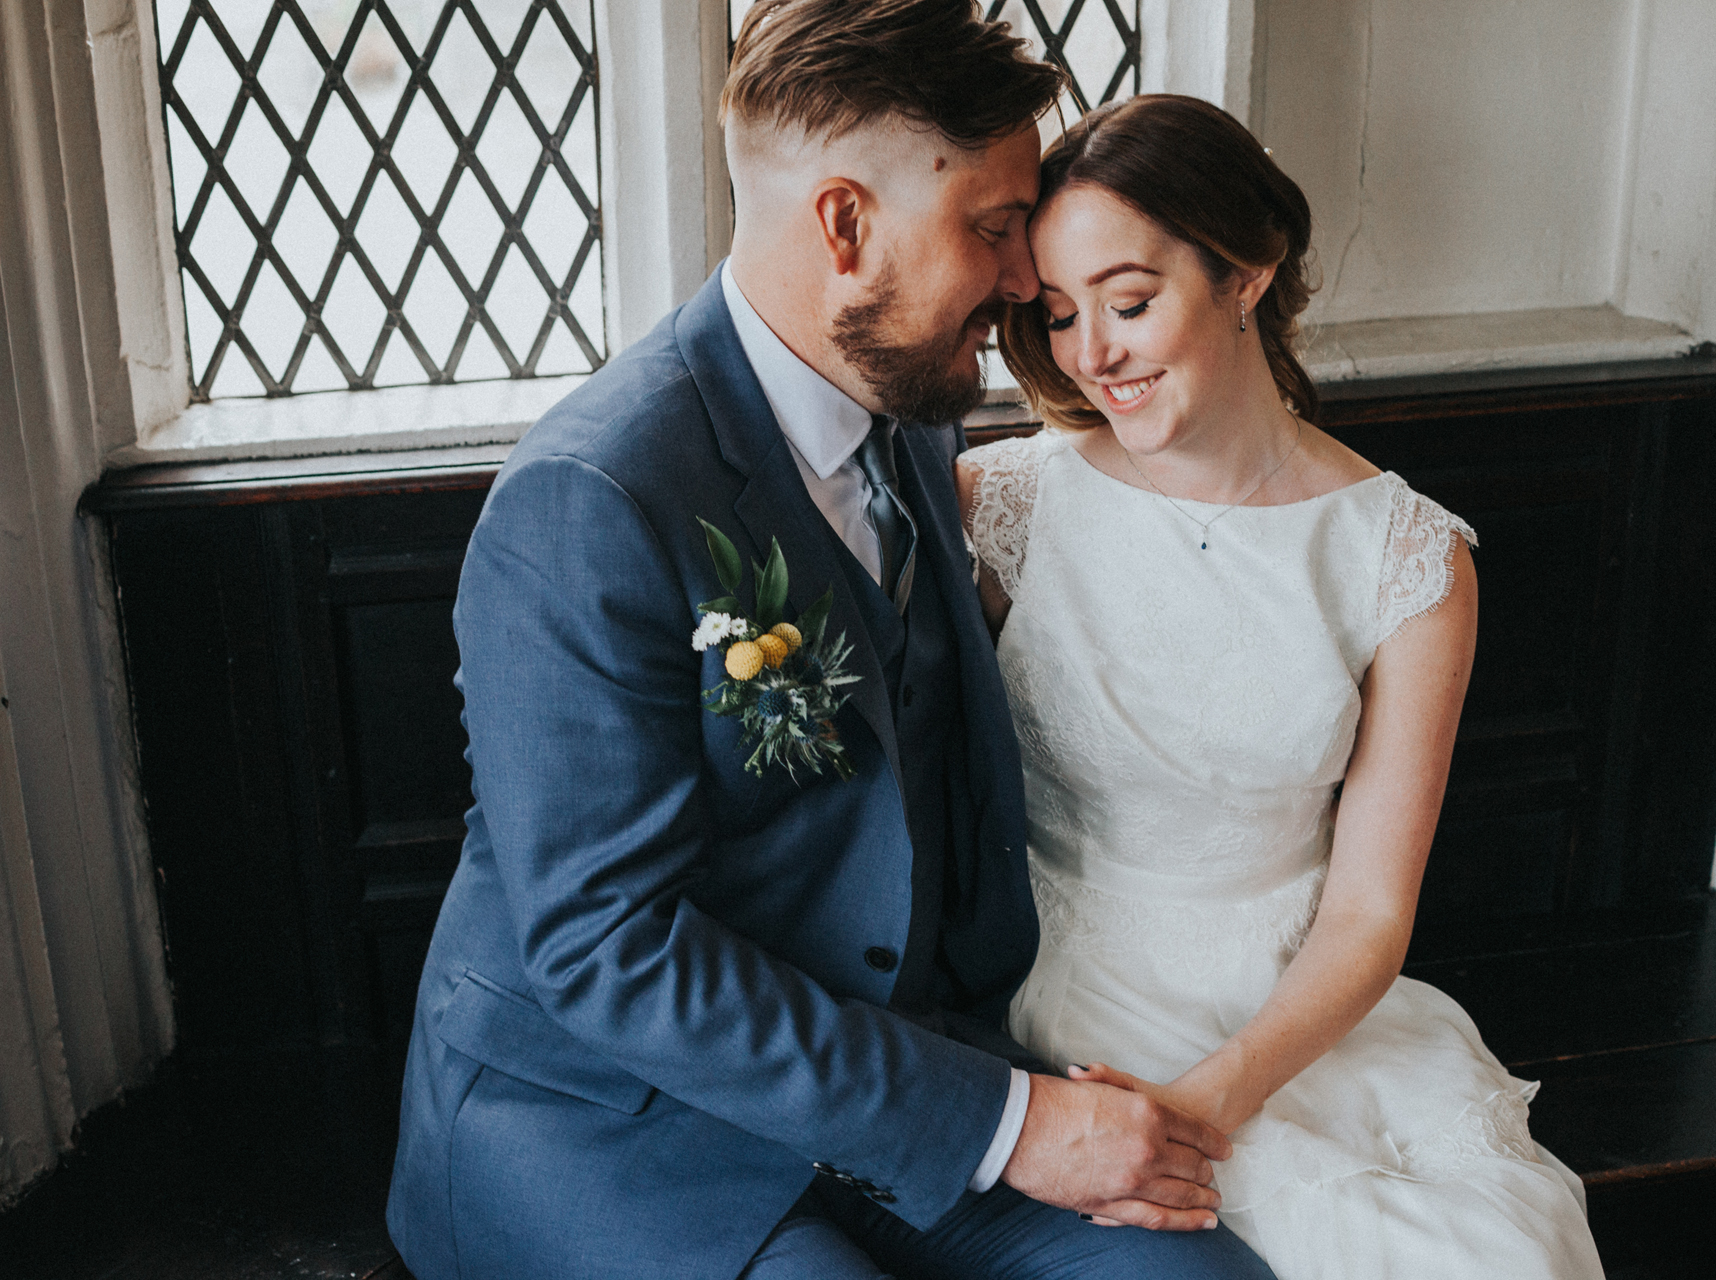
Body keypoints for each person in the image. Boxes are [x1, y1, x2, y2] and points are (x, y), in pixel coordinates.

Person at [386, 5, 1278, 1279]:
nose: (1027, 279)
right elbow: (606, 948)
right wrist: (1014, 1120)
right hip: (619, 1119)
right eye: (993, 226)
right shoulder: (591, 499)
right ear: (846, 225)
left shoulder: (911, 417)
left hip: (895, 1060)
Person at [959, 94, 1608, 1278]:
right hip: (1055, 984)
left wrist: (1219, 1093)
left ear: (1247, 271)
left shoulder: (1408, 559)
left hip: (1294, 1011)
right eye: (1057, 314)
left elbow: (1368, 911)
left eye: (1131, 299)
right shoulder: (1008, 503)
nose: (1090, 351)